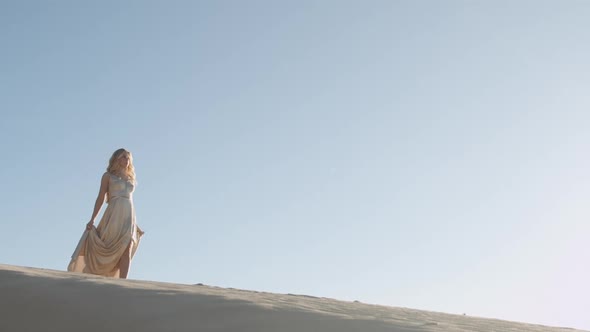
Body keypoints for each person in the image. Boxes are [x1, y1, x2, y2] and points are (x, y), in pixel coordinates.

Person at [68, 148, 144, 278]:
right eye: (123, 157)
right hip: (113, 214)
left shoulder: (130, 178)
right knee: (109, 245)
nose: (126, 160)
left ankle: (123, 283)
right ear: (116, 159)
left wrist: (135, 223)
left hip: (129, 216)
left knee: (127, 247)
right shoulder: (108, 176)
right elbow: (100, 198)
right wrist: (92, 219)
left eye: (128, 158)